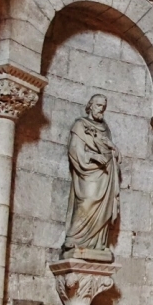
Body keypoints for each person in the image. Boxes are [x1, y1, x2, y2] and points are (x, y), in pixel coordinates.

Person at [62, 94, 121, 257]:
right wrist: (94, 157)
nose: (101, 109)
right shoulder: (80, 125)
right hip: (88, 172)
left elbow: (107, 146)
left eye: (103, 106)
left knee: (104, 208)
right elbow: (75, 150)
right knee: (87, 202)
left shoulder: (105, 128)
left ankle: (97, 243)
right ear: (90, 106)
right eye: (98, 105)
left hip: (105, 173)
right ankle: (74, 239)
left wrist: (113, 151)